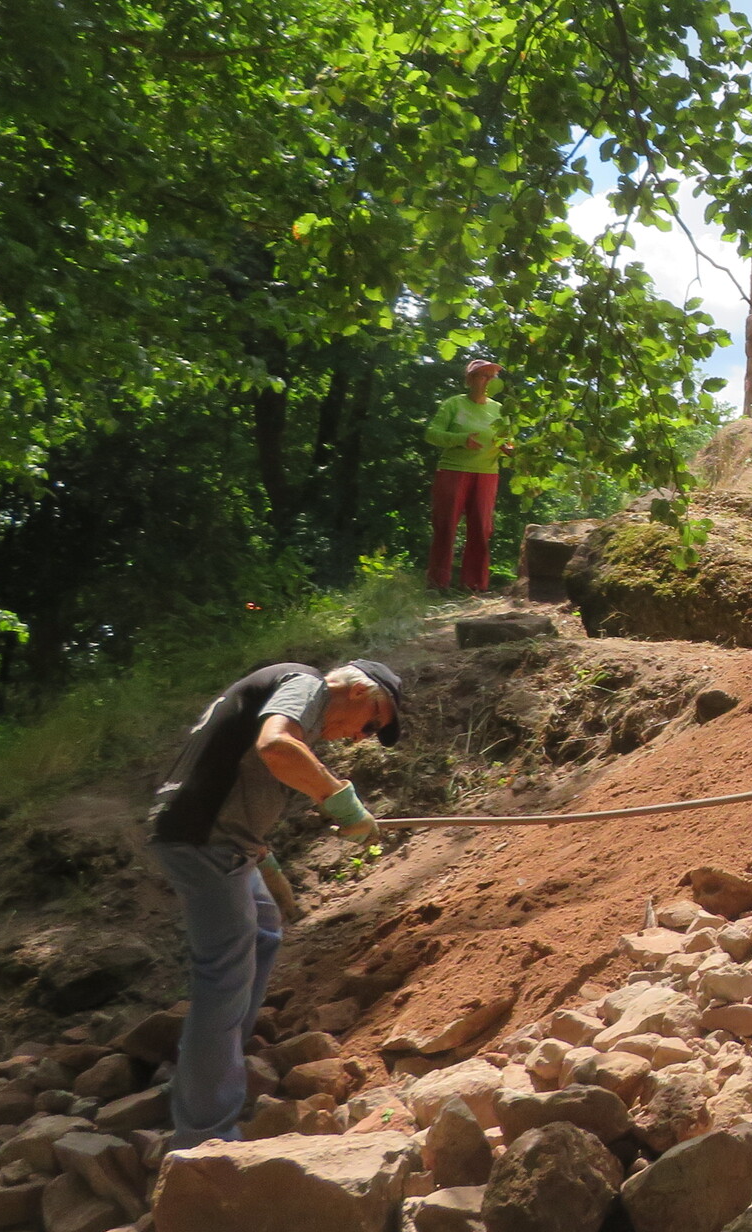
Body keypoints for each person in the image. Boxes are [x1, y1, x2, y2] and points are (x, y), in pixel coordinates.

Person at [146, 660, 404, 1146]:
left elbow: (233, 761)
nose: (359, 737)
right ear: (356, 691)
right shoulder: (306, 685)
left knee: (263, 930)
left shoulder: (282, 690)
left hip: (220, 842)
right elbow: (275, 747)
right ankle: (204, 1133)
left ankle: (211, 1068)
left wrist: (261, 856)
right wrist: (339, 798)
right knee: (224, 978)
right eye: (371, 723)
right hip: (208, 843)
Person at [424, 357, 508, 592]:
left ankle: (474, 586)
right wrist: (461, 440)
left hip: (487, 473)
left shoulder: (499, 409)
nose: (488, 380)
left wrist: (508, 448)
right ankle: (437, 584)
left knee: (482, 529)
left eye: (492, 376)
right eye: (483, 375)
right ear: (470, 379)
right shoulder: (454, 404)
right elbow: (431, 434)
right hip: (453, 471)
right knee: (445, 527)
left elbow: (506, 439)